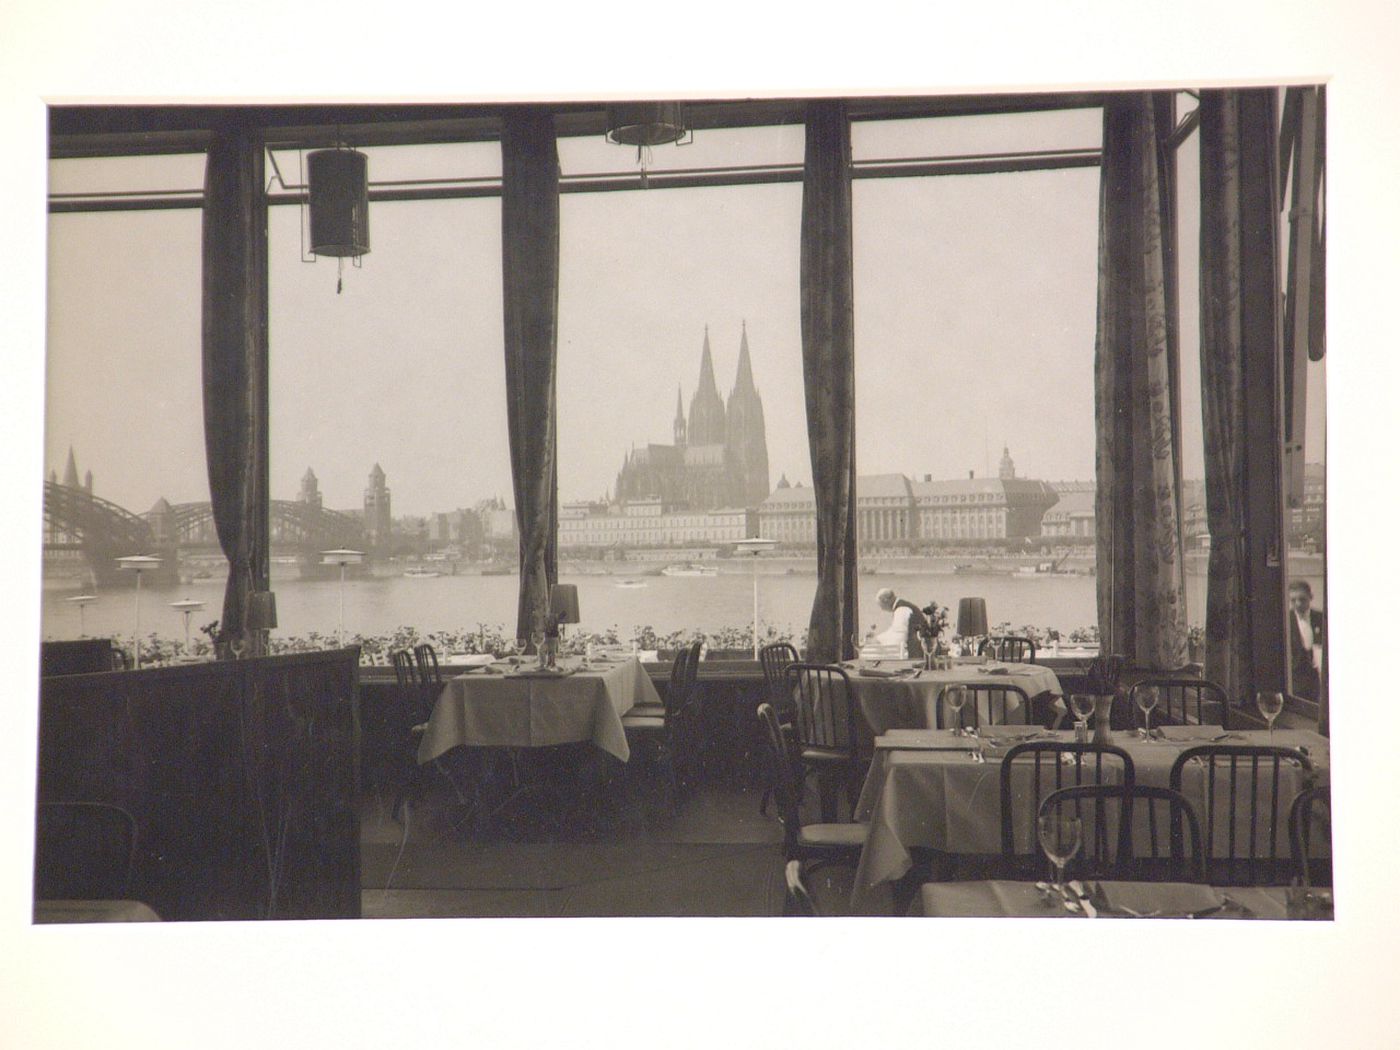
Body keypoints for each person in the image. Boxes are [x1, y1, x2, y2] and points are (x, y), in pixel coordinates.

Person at [1288, 580, 1325, 702]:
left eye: (1302, 599)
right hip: (1294, 684)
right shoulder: (1285, 620)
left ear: (1311, 597)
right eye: (1293, 600)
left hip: (1318, 682)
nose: (1298, 604)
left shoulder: (1322, 618)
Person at [873, 588, 930, 659]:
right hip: (920, 648)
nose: (882, 609)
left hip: (916, 653)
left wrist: (877, 640)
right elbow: (896, 630)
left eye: (881, 605)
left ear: (886, 600)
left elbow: (899, 635)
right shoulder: (903, 606)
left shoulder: (902, 609)